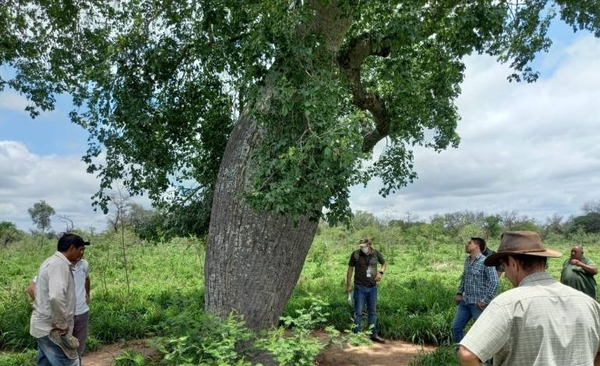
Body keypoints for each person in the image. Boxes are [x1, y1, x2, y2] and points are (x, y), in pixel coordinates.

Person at [458, 231, 600, 366]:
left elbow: (467, 354)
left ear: (513, 263)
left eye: (503, 265)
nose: (505, 274)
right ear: (543, 261)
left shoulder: (508, 304)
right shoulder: (589, 303)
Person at [30, 233, 89, 366]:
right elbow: (56, 296)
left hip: (42, 327)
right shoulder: (59, 265)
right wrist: (62, 324)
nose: (82, 253)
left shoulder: (50, 261)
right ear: (72, 248)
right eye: (81, 249)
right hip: (52, 329)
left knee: (46, 362)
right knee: (70, 362)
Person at [451, 237, 499, 347]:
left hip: (479, 304)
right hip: (465, 301)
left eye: (469, 243)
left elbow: (495, 282)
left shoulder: (486, 262)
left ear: (477, 246)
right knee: (456, 327)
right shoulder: (467, 261)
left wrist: (485, 301)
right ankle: (461, 354)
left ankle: (488, 360)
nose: (466, 244)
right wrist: (459, 293)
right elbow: (464, 277)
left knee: (483, 332)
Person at [346, 237, 387, 343]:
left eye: (364, 246)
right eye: (361, 246)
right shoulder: (355, 254)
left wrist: (381, 273)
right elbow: (350, 269)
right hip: (359, 287)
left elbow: (384, 263)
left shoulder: (376, 253)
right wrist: (348, 284)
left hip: (372, 287)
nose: (362, 248)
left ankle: (373, 334)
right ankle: (356, 335)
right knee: (358, 312)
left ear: (369, 245)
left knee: (372, 312)